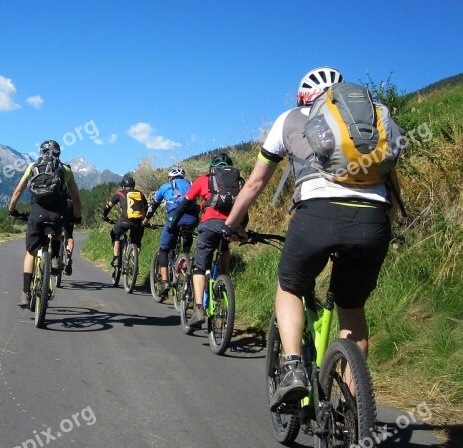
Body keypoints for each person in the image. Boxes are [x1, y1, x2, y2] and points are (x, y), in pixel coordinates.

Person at [221, 67, 403, 410]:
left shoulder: (289, 119)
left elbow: (255, 183)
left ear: (304, 98)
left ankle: (291, 369)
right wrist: (383, 229)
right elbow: (392, 189)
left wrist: (231, 224)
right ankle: (351, 410)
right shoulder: (371, 125)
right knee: (352, 312)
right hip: (372, 220)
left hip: (317, 215)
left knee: (289, 287)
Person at [169, 153, 244, 327]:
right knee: (224, 249)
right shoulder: (238, 182)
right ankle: (223, 283)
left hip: (209, 225)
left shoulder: (204, 179)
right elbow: (244, 206)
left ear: (211, 167)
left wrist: (174, 223)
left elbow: (185, 203)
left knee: (200, 267)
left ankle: (198, 308)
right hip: (231, 225)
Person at [8, 140, 82, 307]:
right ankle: (55, 258)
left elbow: (17, 191)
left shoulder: (32, 166)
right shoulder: (65, 170)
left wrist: (12, 210)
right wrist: (77, 217)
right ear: (58, 154)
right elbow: (76, 199)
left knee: (31, 253)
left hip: (36, 212)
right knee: (56, 233)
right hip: (57, 213)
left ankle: (25, 293)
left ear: (41, 152)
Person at [142, 166, 198, 294]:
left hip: (174, 218)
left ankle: (165, 282)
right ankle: (185, 259)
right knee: (187, 234)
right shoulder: (191, 184)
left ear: (170, 178)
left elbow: (153, 206)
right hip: (192, 218)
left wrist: (146, 220)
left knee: (164, 249)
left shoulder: (166, 186)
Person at [102, 175, 148, 269]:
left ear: (123, 186)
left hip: (124, 221)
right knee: (136, 241)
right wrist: (145, 220)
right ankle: (134, 261)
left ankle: (116, 258)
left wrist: (104, 215)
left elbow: (109, 206)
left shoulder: (120, 193)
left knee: (115, 234)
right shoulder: (140, 194)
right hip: (139, 222)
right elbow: (146, 207)